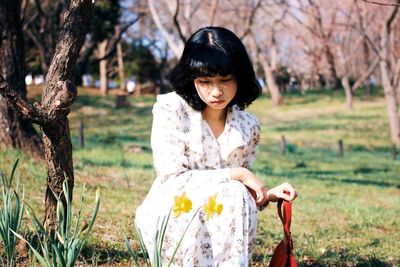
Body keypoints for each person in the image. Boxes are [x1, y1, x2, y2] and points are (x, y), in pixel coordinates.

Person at [135, 26, 297, 266]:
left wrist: (267, 194)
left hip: (223, 222)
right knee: (234, 188)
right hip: (177, 213)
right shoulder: (171, 109)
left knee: (236, 191)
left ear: (239, 78)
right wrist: (238, 174)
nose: (216, 91)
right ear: (192, 79)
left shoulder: (247, 125)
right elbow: (172, 179)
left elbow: (238, 196)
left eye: (225, 80)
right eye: (205, 81)